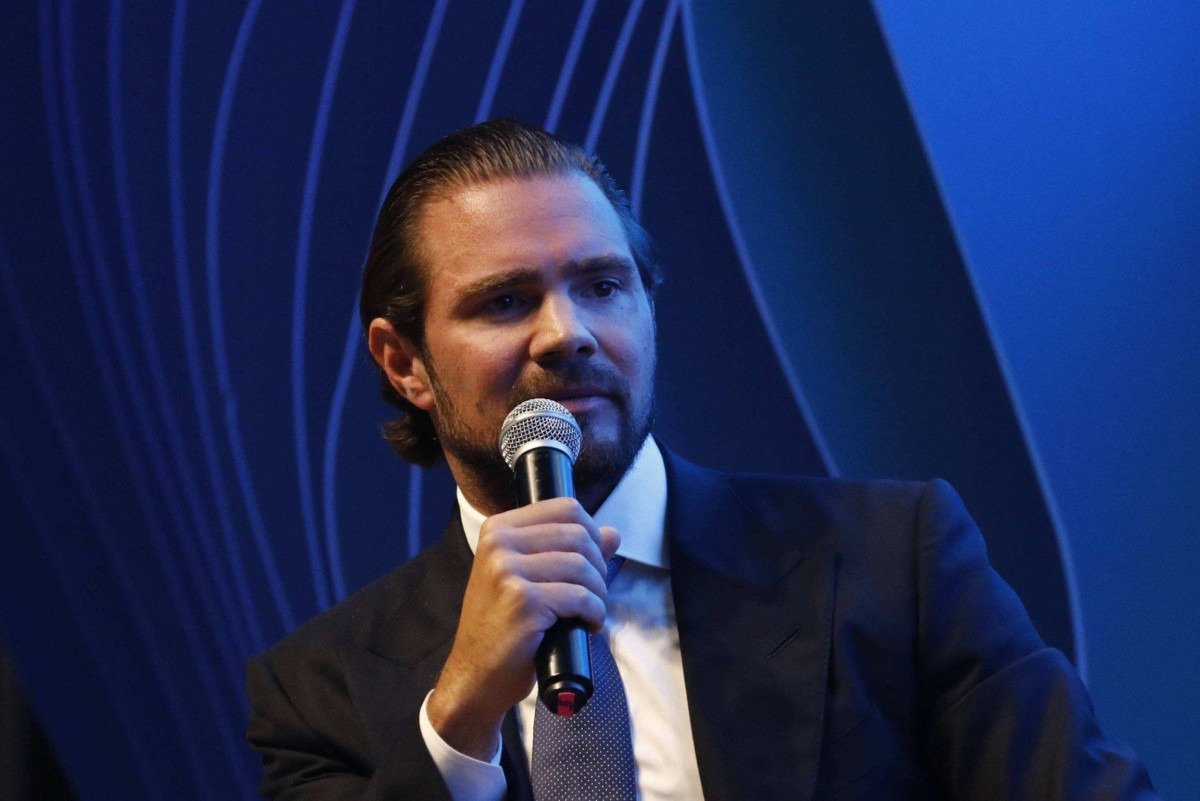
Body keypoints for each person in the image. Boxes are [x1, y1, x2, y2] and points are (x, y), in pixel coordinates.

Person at [246, 119, 1156, 800]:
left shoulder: (891, 558)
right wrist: (458, 721)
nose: (567, 333)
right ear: (403, 363)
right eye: (506, 302)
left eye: (603, 285)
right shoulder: (317, 693)